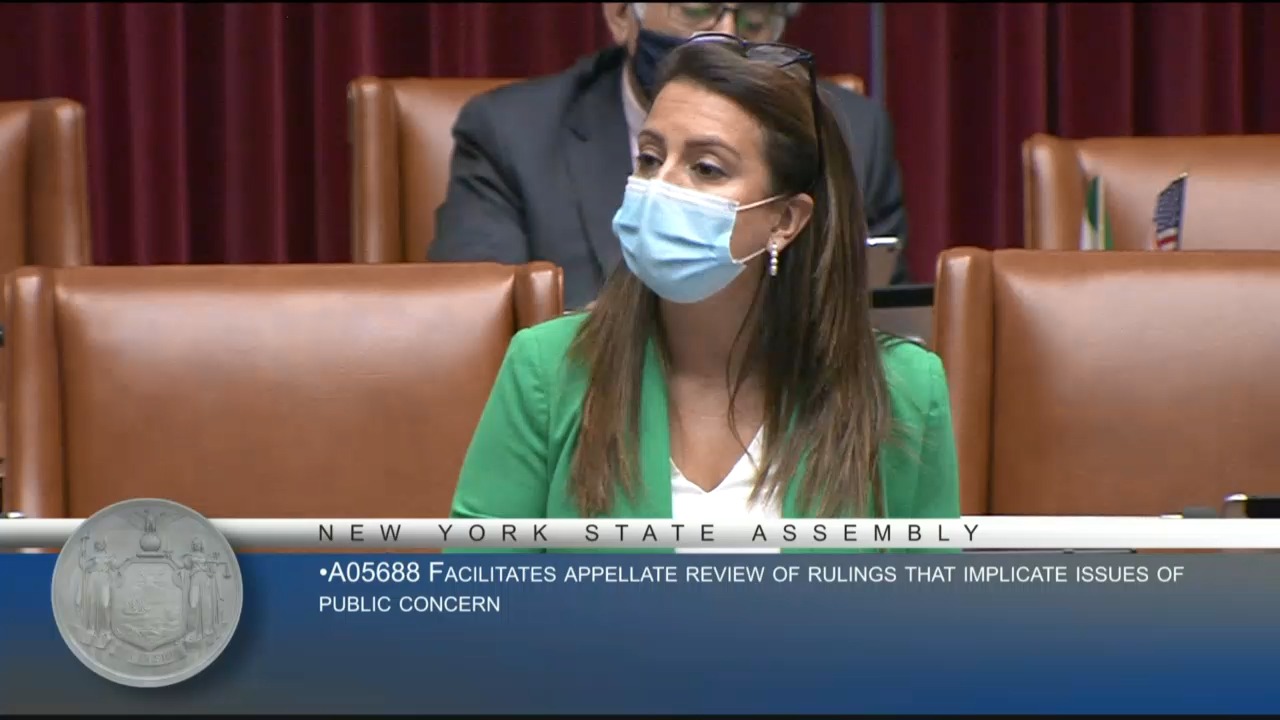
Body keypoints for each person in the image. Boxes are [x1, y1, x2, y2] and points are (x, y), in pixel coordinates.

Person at [447, 36, 959, 553]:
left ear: (785, 220)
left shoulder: (905, 394)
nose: (661, 186)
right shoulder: (547, 370)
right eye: (650, 158)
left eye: (706, 168)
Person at [430, 3, 911, 310]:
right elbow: (476, 321)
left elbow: (885, 318)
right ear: (622, 15)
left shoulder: (852, 135)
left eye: (755, 19)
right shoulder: (512, 134)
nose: (725, 40)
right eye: (696, 10)